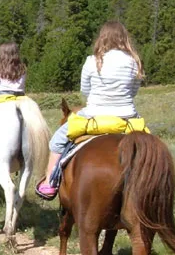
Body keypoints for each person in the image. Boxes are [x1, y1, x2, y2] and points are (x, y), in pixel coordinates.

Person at [35, 21, 143, 200]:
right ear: (124, 38)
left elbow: (85, 90)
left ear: (102, 38)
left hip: (94, 115)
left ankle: (49, 183)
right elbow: (133, 91)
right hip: (127, 118)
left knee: (57, 141)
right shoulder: (134, 61)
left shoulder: (92, 61)